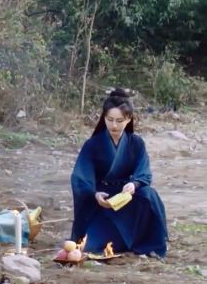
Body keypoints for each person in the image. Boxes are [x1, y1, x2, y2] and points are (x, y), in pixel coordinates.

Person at [70, 88, 168, 258]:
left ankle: (146, 242)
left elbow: (143, 172)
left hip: (125, 195)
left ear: (128, 119)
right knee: (90, 245)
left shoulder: (136, 143)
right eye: (110, 120)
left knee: (148, 194)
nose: (114, 125)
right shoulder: (92, 144)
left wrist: (134, 184)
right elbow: (80, 177)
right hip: (103, 198)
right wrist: (94, 194)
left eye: (119, 120)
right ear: (104, 118)